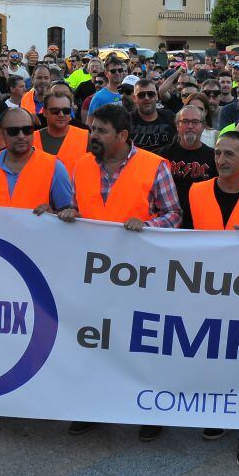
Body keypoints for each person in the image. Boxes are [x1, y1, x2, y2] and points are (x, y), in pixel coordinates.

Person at [58, 103, 180, 440]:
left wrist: (148, 224)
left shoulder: (154, 166)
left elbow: (173, 214)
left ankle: (150, 411)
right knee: (95, 342)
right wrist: (68, 214)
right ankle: (94, 407)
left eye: (100, 131)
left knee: (142, 343)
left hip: (141, 275)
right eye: (92, 128)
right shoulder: (82, 166)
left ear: (123, 136)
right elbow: (80, 208)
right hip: (95, 273)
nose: (92, 135)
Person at [0, 106, 72, 213]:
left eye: (27, 130)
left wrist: (53, 214)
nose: (21, 136)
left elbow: (68, 217)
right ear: (2, 132)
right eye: (13, 131)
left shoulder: (54, 168)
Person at [161, 105, 217, 210]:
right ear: (177, 125)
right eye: (185, 121)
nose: (190, 126)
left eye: (195, 122)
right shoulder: (164, 154)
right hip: (170, 212)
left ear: (203, 126)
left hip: (202, 212)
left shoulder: (213, 156)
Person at [32, 91, 90, 175]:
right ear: (44, 112)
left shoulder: (86, 137)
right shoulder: (31, 139)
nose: (61, 114)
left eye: (66, 111)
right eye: (55, 111)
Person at [128, 78, 176, 151]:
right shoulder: (127, 120)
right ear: (134, 98)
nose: (146, 98)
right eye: (141, 95)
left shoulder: (169, 117)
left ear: (156, 96)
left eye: (151, 94)